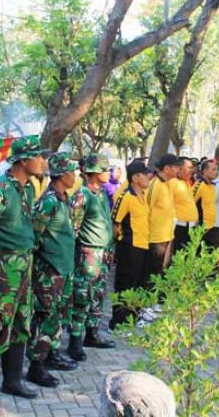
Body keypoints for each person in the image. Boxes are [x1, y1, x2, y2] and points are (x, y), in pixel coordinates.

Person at [0, 136, 47, 416]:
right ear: (23, 161)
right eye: (39, 156)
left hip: (23, 264)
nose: (44, 161)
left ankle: (13, 380)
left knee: (20, 322)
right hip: (1, 267)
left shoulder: (27, 189)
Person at [27, 152, 80, 389]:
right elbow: (34, 235)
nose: (75, 176)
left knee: (58, 316)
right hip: (49, 270)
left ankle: (51, 354)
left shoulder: (62, 199)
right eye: (72, 171)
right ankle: (35, 366)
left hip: (64, 269)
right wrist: (42, 265)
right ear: (61, 175)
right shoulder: (48, 201)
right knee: (45, 316)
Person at [68, 154, 117, 362]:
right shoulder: (82, 196)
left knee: (97, 295)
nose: (109, 173)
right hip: (89, 253)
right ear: (94, 173)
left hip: (103, 253)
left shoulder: (102, 194)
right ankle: (75, 342)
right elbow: (73, 228)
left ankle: (92, 334)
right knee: (82, 296)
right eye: (105, 169)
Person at [109, 160, 150, 330]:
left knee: (138, 282)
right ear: (135, 178)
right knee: (125, 284)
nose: (148, 177)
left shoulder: (143, 194)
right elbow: (115, 222)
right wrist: (114, 248)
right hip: (128, 246)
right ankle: (118, 322)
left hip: (143, 245)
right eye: (144, 175)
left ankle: (132, 317)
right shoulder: (126, 196)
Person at [145, 154, 178, 299]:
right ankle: (147, 306)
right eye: (176, 167)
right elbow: (146, 210)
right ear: (166, 168)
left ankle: (156, 302)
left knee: (162, 271)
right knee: (152, 272)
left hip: (167, 235)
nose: (178, 170)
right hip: (155, 237)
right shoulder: (155, 184)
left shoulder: (168, 184)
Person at [169, 157, 199, 254]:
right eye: (189, 168)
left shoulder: (186, 182)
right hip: (179, 227)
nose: (192, 171)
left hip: (190, 226)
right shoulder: (172, 183)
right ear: (180, 169)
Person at [192, 159, 218, 246]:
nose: (216, 172)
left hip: (211, 226)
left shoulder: (212, 185)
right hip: (201, 227)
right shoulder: (199, 185)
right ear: (205, 171)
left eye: (216, 169)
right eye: (213, 169)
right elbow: (191, 203)